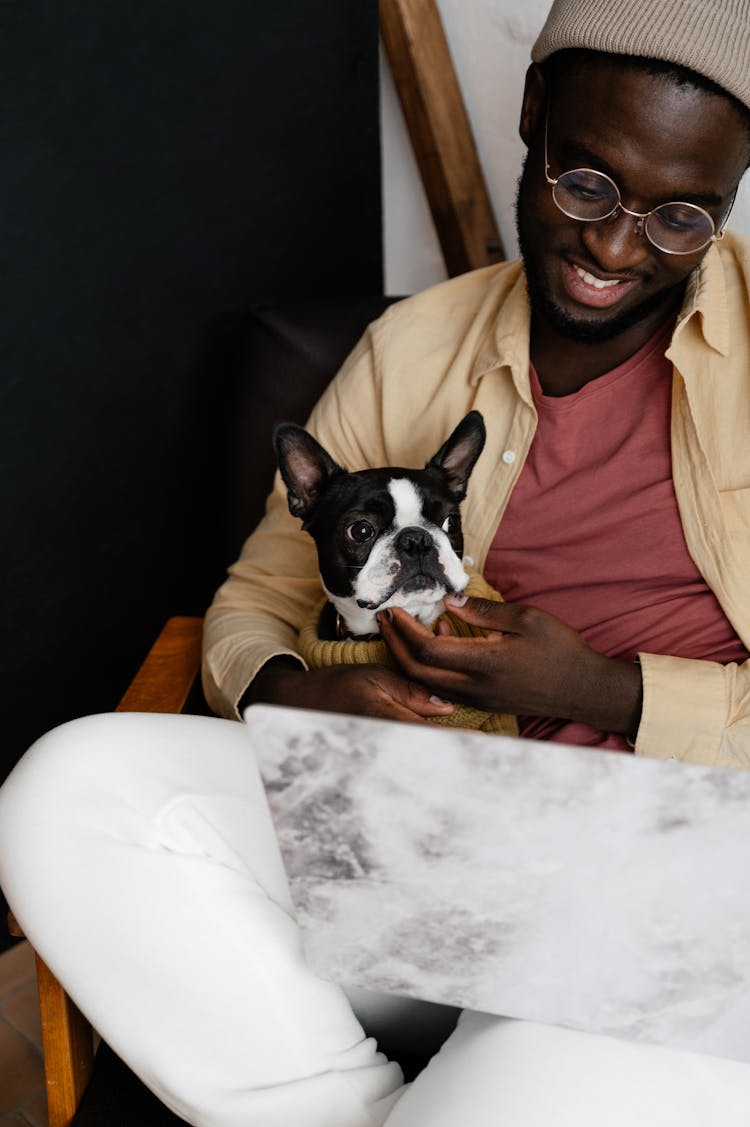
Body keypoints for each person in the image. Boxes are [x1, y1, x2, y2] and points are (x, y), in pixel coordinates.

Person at [2, 1, 750, 1124]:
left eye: (681, 216)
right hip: (422, 827)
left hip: (686, 867)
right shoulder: (416, 346)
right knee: (69, 792)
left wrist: (599, 686)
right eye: (585, 185)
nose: (614, 246)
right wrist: (303, 694)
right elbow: (261, 591)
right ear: (534, 117)